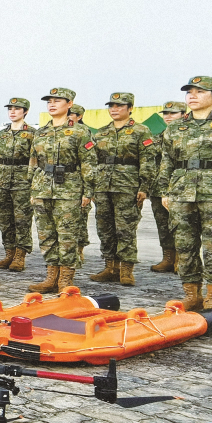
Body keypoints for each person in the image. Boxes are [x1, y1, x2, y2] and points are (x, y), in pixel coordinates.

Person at [158, 76, 212, 311]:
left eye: (200, 92)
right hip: (181, 193)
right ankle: (192, 294)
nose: (193, 96)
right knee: (185, 245)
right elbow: (167, 161)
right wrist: (165, 191)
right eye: (189, 92)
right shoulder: (176, 127)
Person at [28, 88, 96, 293]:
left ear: (69, 104)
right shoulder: (41, 132)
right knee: (46, 235)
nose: (52, 104)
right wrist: (32, 189)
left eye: (57, 101)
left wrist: (88, 191)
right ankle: (51, 277)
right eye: (49, 101)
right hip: (42, 189)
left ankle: (66, 280)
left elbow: (88, 162)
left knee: (67, 236)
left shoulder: (80, 132)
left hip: (69, 189)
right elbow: (33, 161)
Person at [88, 93, 155, 286]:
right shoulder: (101, 133)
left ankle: (126, 270)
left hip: (128, 186)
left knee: (125, 229)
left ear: (130, 108)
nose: (114, 109)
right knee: (105, 228)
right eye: (111, 106)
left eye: (119, 106)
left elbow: (148, 160)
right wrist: (92, 187)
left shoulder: (141, 131)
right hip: (102, 187)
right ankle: (110, 268)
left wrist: (144, 187)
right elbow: (92, 161)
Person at [0, 98, 34, 272]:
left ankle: (20, 255)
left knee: (22, 220)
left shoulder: (32, 134)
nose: (13, 112)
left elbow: (35, 161)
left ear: (25, 112)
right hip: (2, 181)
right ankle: (9, 253)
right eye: (10, 109)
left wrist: (34, 183)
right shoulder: (1, 134)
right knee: (4, 219)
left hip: (23, 182)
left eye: (17, 109)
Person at [148, 102, 186, 272]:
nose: (168, 117)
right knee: (163, 225)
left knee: (182, 225)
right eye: (165, 113)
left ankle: (182, 260)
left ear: (184, 114)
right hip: (158, 188)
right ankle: (168, 258)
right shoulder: (157, 137)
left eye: (173, 113)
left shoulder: (188, 136)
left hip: (182, 187)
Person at [68, 104, 93, 261]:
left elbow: (89, 162)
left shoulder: (85, 132)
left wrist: (88, 189)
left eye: (72, 114)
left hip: (79, 182)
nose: (69, 117)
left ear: (80, 117)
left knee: (81, 219)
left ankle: (79, 248)